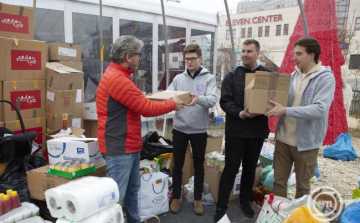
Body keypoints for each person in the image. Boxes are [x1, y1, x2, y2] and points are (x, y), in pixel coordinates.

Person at [96, 35, 184, 223]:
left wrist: (150, 98)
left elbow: (136, 102)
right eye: (138, 54)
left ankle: (134, 220)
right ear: (128, 57)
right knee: (115, 199)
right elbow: (145, 108)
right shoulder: (118, 79)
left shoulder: (118, 76)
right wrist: (172, 104)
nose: (140, 58)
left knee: (132, 190)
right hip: (120, 148)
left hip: (126, 145)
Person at [265, 37, 335, 199]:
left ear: (311, 55)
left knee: (303, 187)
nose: (294, 57)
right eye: (294, 53)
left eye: (298, 53)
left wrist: (286, 111)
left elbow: (319, 109)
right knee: (279, 182)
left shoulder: (325, 78)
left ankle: (298, 215)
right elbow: (280, 101)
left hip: (306, 143)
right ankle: (278, 213)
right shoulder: (292, 76)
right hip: (283, 139)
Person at [214, 39, 272, 222]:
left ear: (258, 54)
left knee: (249, 169)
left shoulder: (269, 76)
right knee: (230, 169)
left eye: (249, 51)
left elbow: (274, 98)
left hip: (257, 131)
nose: (245, 54)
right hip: (236, 131)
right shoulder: (232, 76)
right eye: (243, 51)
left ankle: (244, 202)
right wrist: (240, 113)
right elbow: (225, 101)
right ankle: (221, 207)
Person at [168, 44, 218, 215]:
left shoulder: (209, 78)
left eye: (193, 59)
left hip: (198, 130)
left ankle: (197, 199)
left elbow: (212, 99)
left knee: (199, 166)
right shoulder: (178, 78)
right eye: (187, 59)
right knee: (177, 164)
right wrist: (168, 100)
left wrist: (199, 99)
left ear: (200, 58)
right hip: (180, 128)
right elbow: (169, 95)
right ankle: (176, 197)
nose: (189, 62)